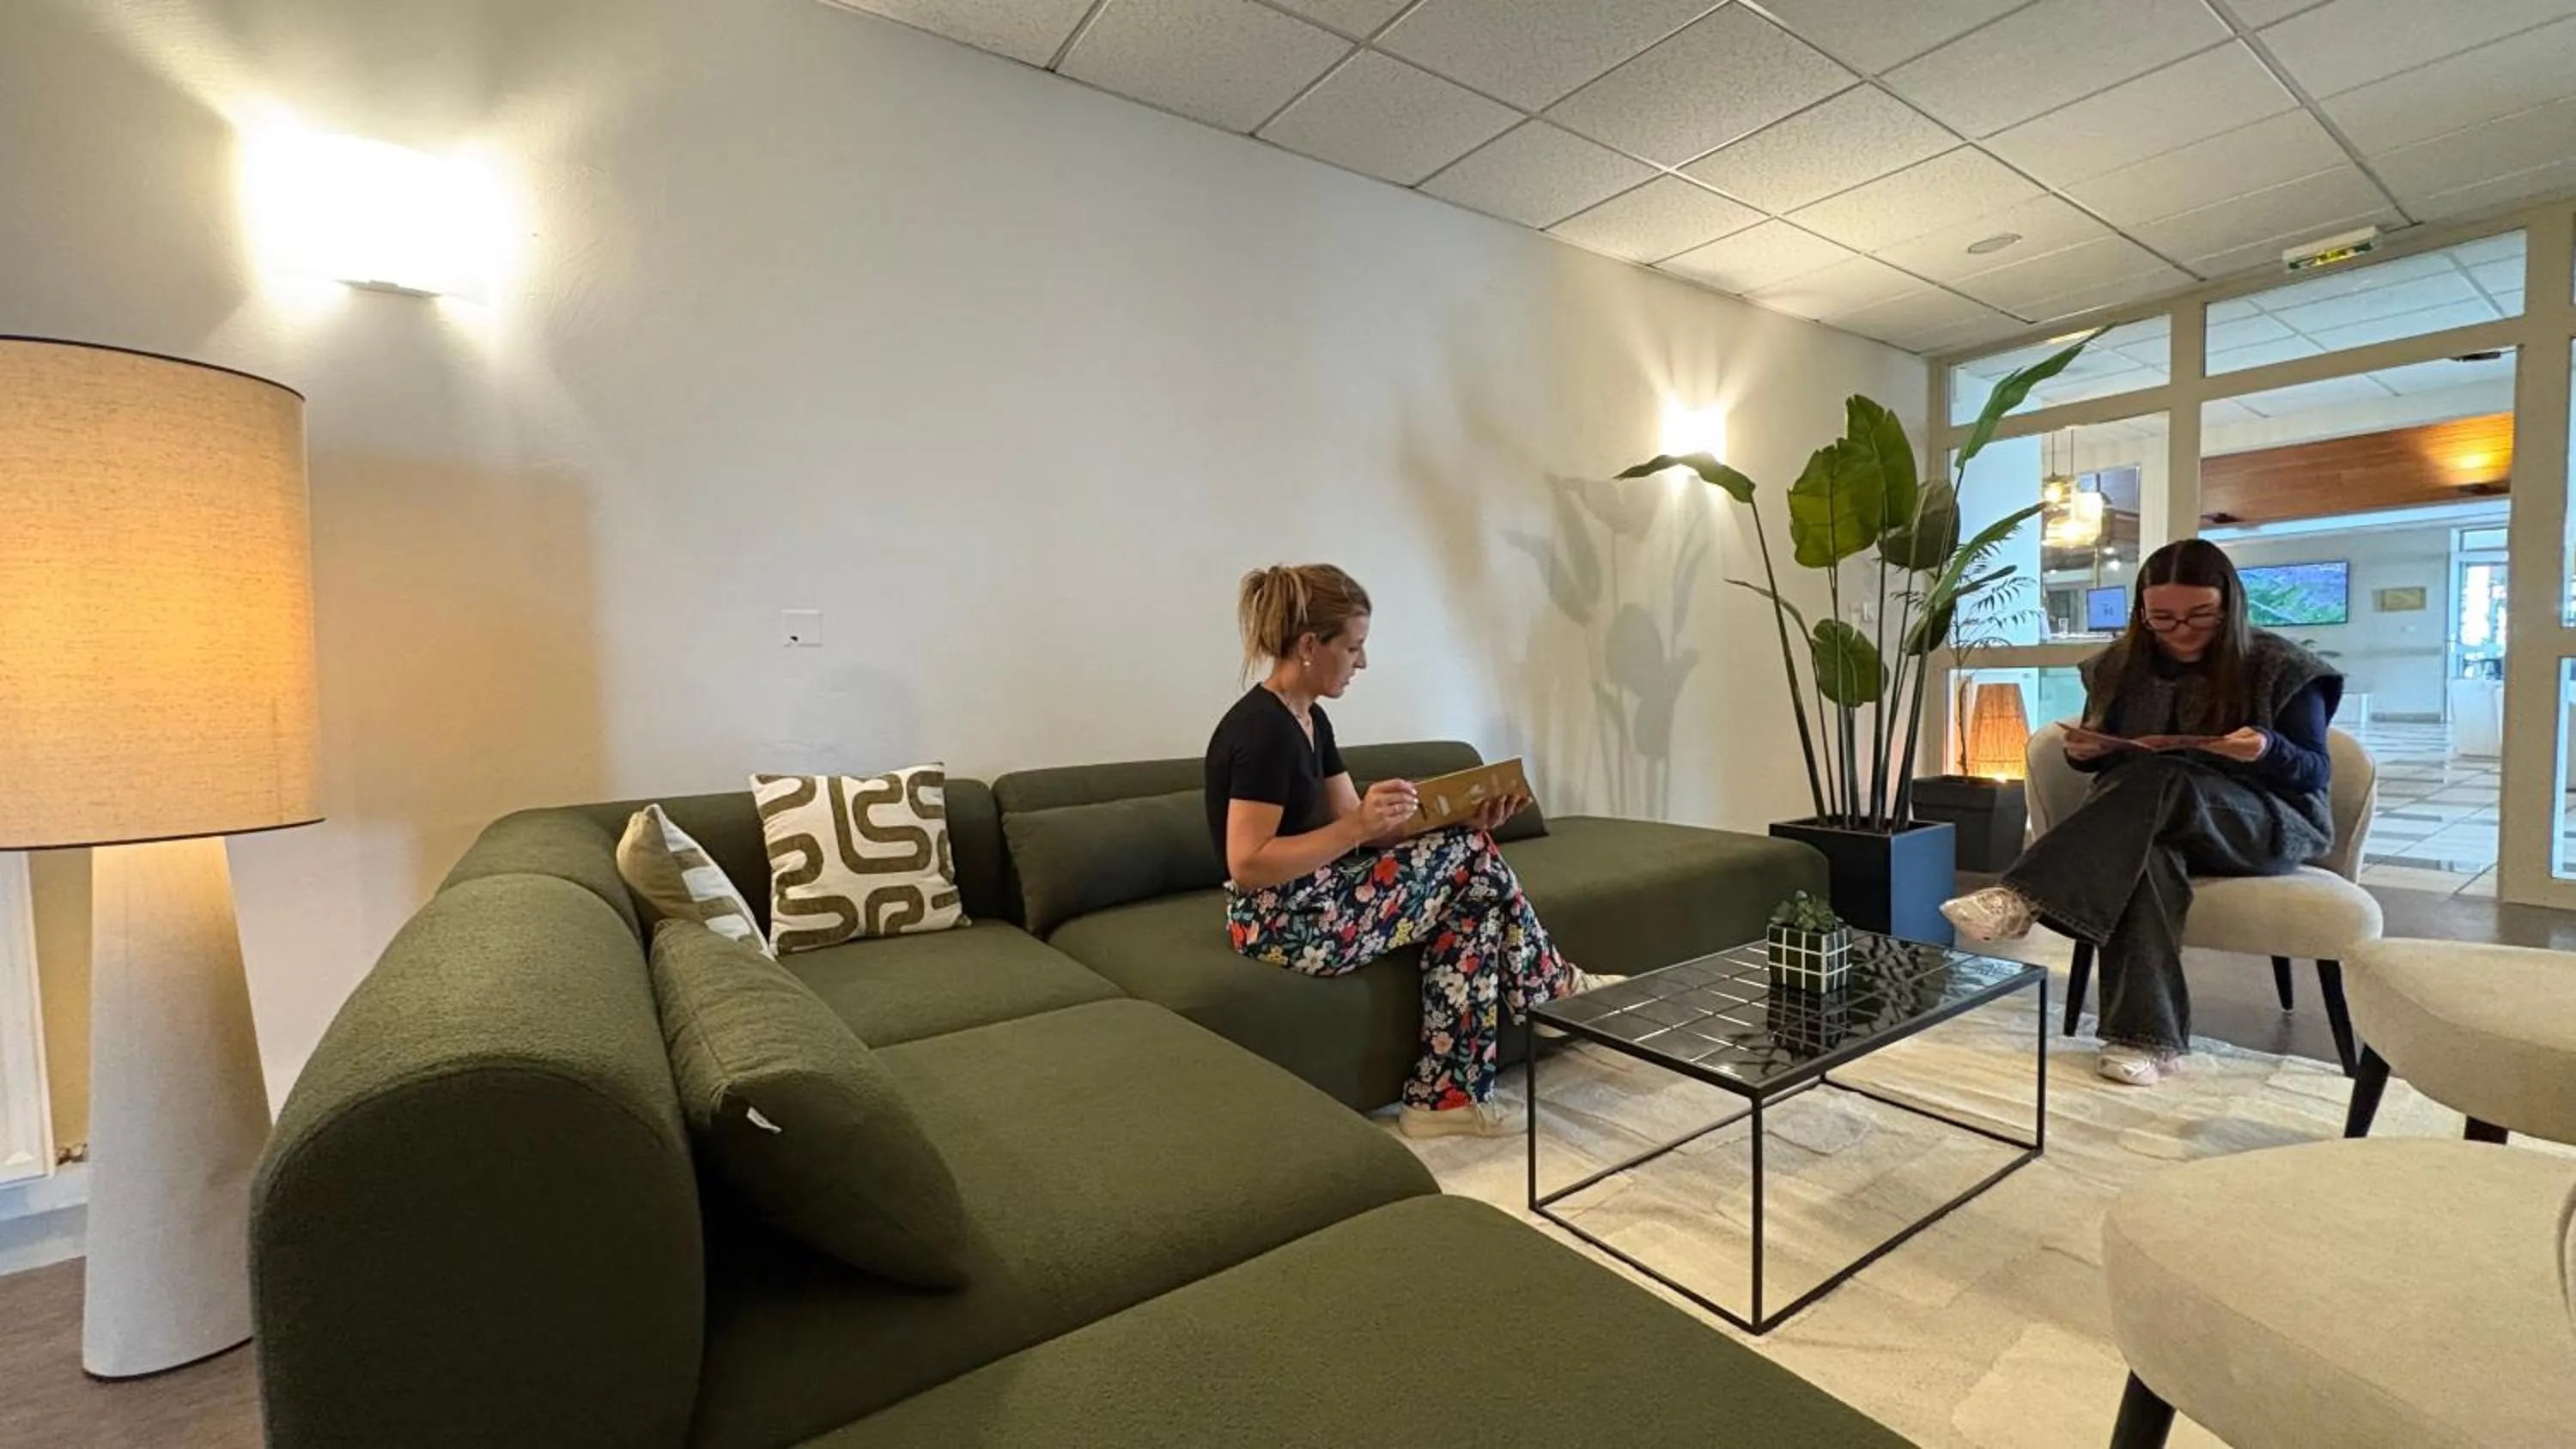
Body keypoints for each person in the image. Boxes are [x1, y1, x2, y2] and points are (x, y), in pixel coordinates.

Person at [1206, 563, 1614, 1138]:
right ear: (1308, 646)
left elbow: (1361, 826)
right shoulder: (1261, 732)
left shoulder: (1309, 721)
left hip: (1318, 900)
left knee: (1474, 897)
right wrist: (1357, 829)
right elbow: (1246, 865)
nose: (1362, 663)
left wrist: (1460, 816)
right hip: (1280, 923)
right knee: (1472, 863)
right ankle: (1550, 989)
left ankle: (1445, 1098)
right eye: (1353, 647)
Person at [1941, 539, 2342, 1088]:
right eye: (2163, 618)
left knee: (2165, 777)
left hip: (2262, 825)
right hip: (2152, 821)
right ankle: (2144, 1038)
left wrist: (2269, 750)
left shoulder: (2284, 667)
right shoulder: (2117, 668)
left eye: (2202, 616)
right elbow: (2103, 757)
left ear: (2231, 606)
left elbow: (2315, 772)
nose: (2182, 631)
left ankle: (2024, 894)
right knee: (2147, 856)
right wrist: (2085, 753)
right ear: (2141, 613)